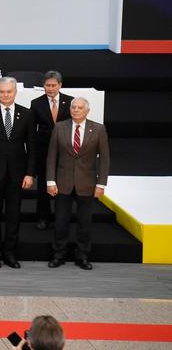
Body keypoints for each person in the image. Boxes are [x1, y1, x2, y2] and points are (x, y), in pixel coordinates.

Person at [0, 77, 36, 269]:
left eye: (9, 91)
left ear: (15, 92)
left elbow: (32, 148)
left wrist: (29, 174)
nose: (5, 95)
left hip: (17, 175)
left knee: (13, 215)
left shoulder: (26, 114)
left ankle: (10, 252)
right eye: (2, 92)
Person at [47, 97, 109, 271]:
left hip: (87, 184)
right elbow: (52, 156)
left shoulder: (98, 129)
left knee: (85, 223)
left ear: (87, 111)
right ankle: (58, 255)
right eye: (73, 107)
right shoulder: (59, 127)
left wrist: (101, 184)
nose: (75, 110)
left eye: (80, 108)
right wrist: (50, 180)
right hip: (62, 182)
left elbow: (104, 160)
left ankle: (82, 256)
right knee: (60, 221)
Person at [31, 71, 73, 231]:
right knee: (43, 186)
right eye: (47, 85)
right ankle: (43, 218)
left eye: (53, 85)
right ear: (43, 86)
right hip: (44, 152)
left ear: (60, 85)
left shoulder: (70, 102)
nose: (50, 88)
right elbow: (32, 131)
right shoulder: (36, 103)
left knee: (63, 186)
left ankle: (61, 219)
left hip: (65, 152)